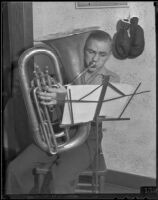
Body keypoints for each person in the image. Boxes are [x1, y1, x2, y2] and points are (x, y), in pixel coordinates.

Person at [5, 30, 120, 194]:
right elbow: (51, 111)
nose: (95, 59)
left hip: (87, 137)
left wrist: (66, 99)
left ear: (108, 55)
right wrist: (44, 96)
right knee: (15, 169)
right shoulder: (65, 73)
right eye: (91, 52)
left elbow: (101, 113)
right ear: (83, 50)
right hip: (57, 131)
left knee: (59, 181)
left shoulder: (112, 80)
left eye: (102, 54)